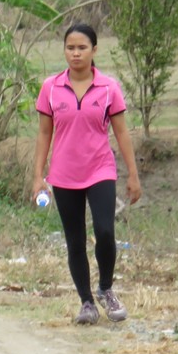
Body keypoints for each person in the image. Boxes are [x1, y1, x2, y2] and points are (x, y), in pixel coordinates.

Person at [31, 23, 142, 325]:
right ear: (64, 51)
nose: (76, 53)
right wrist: (38, 176)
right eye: (70, 48)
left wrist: (133, 175)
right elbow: (44, 133)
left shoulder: (108, 88)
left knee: (105, 231)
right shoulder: (50, 87)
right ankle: (87, 302)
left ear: (94, 50)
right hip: (63, 174)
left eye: (82, 48)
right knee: (75, 240)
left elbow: (122, 132)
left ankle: (105, 289)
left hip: (100, 169)